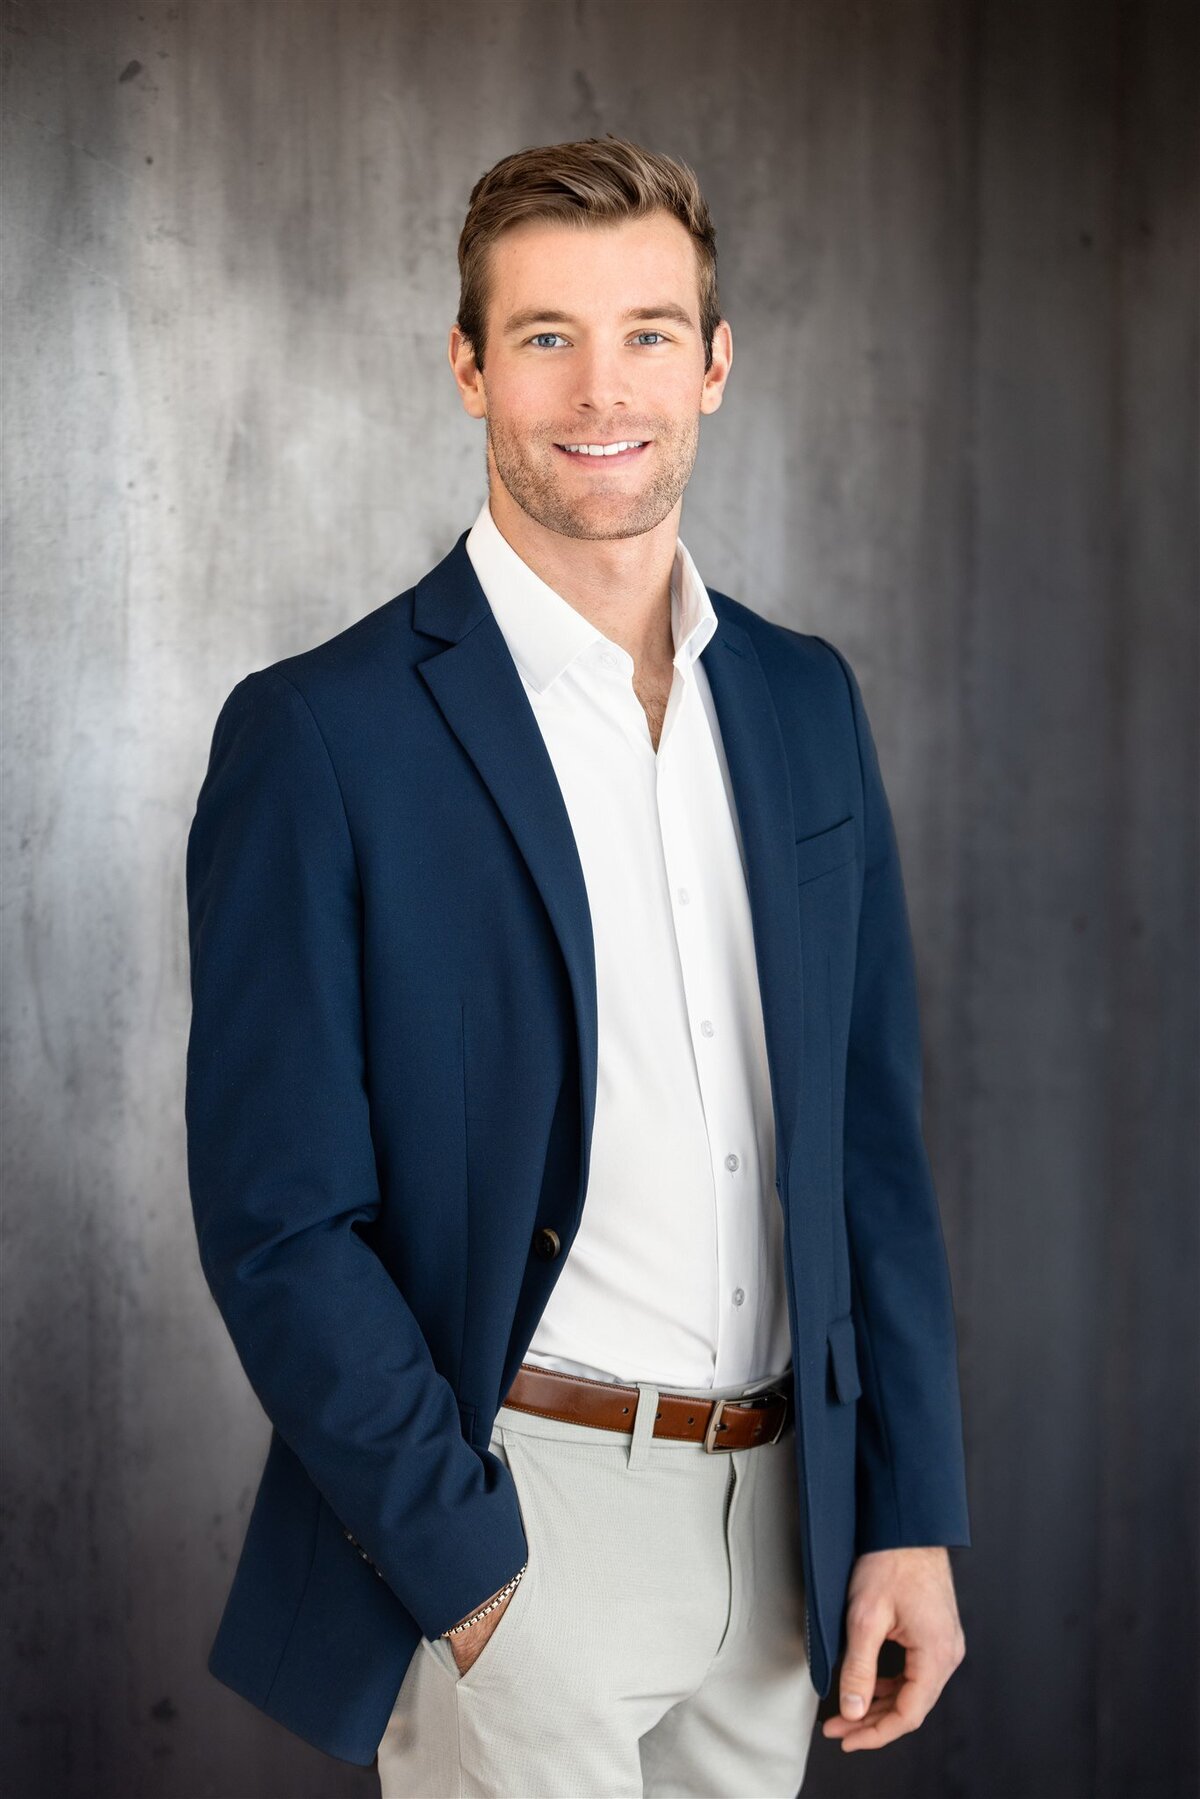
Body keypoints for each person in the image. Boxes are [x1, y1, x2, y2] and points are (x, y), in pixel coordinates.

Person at [184, 134, 970, 1798]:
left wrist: (907, 1511)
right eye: (545, 335)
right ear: (469, 366)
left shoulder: (804, 702)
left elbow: (870, 1155)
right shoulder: (322, 738)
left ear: (717, 360)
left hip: (788, 1535)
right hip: (520, 1515)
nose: (601, 389)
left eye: (649, 332)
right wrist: (472, 1575)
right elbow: (277, 1219)